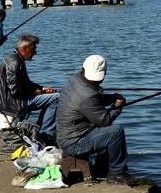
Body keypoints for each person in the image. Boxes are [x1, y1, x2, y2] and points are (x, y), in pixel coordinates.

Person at [56, 55, 135, 185]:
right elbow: (104, 121)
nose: (98, 80)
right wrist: (117, 106)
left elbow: (93, 100)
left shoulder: (74, 80)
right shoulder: (87, 94)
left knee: (106, 132)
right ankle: (117, 174)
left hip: (66, 135)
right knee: (115, 131)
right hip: (74, 143)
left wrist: (111, 98)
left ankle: (102, 167)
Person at [0, 33, 58, 144]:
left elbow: (25, 84)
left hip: (9, 102)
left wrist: (41, 88)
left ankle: (41, 132)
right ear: (25, 48)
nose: (35, 52)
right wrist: (36, 92)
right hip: (12, 104)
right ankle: (45, 134)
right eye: (33, 49)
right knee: (56, 98)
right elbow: (15, 91)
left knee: (51, 96)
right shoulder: (15, 62)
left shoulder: (16, 58)